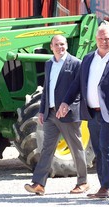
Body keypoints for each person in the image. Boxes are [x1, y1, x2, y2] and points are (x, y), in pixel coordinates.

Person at [57, 23, 109, 198]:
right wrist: (65, 102)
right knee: (98, 149)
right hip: (92, 112)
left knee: (106, 146)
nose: (103, 41)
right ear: (95, 39)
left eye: (107, 38)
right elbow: (77, 84)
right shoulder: (87, 59)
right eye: (100, 38)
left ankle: (106, 187)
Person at [24, 35, 89, 196]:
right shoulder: (49, 64)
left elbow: (80, 90)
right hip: (50, 114)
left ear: (66, 45)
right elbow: (47, 89)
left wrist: (68, 107)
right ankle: (39, 184)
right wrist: (42, 110)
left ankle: (83, 182)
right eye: (56, 45)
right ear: (51, 47)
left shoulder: (75, 63)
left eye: (62, 44)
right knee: (47, 148)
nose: (60, 47)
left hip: (67, 114)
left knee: (76, 148)